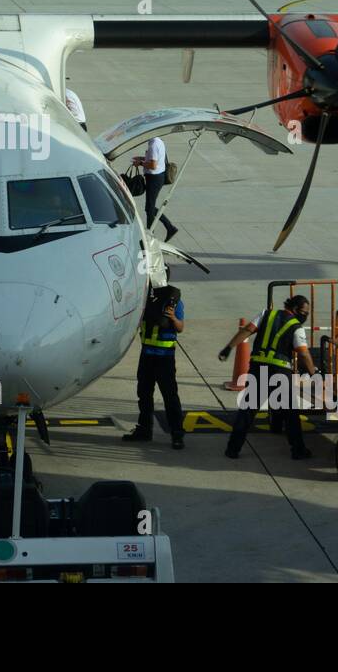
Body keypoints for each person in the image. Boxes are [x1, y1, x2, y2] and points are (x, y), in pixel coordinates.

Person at [218, 294, 317, 461]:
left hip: (258, 368)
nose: (305, 315)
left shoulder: (266, 314)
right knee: (291, 414)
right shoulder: (296, 327)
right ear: (294, 309)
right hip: (280, 372)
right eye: (304, 312)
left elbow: (247, 330)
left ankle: (232, 449)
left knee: (247, 411)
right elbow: (303, 353)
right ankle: (298, 450)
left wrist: (228, 348)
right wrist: (314, 374)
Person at [123, 282, 186, 449]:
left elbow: (180, 328)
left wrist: (172, 317)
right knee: (144, 394)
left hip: (165, 357)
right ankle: (144, 430)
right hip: (147, 356)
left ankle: (177, 434)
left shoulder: (174, 301)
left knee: (170, 397)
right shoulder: (145, 299)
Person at [132, 136, 177, 241]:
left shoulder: (154, 144)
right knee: (150, 207)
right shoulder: (158, 141)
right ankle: (168, 228)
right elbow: (154, 159)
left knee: (149, 208)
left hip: (154, 179)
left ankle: (150, 234)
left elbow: (153, 165)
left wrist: (140, 163)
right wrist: (142, 158)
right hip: (156, 177)